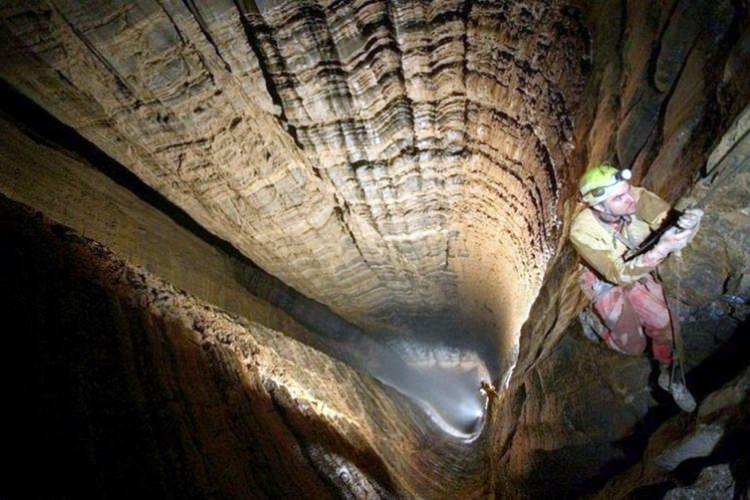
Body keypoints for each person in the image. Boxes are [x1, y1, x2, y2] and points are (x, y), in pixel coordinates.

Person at [569, 164, 703, 412]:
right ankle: (595, 323)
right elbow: (615, 273)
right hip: (604, 278)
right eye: (619, 198)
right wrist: (660, 249)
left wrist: (688, 226)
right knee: (633, 346)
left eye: (627, 190)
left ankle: (668, 373)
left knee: (665, 321)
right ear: (599, 207)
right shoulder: (582, 230)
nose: (630, 198)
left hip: (638, 267)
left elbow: (670, 223)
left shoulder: (637, 198)